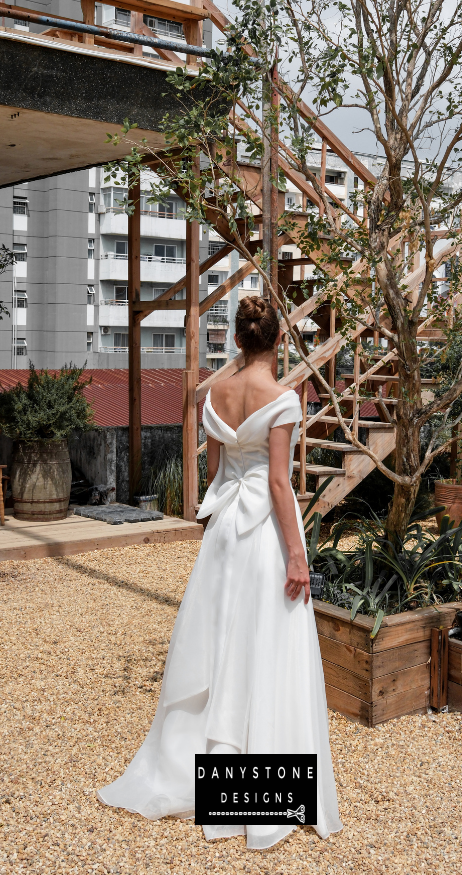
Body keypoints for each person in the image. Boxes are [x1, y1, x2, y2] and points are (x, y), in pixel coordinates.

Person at [97, 296, 343, 850]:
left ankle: (215, 783)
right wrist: (298, 556)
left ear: (237, 340)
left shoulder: (215, 397)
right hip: (266, 537)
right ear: (277, 340)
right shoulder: (283, 399)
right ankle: (259, 798)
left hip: (225, 528)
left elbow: (215, 471)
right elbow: (280, 484)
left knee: (219, 643)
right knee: (263, 646)